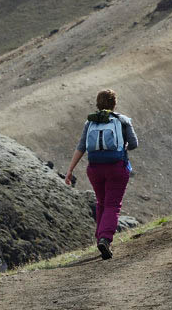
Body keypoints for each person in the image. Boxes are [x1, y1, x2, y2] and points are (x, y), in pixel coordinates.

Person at [65, 89, 138, 260]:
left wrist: (70, 170)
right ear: (114, 104)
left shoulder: (90, 123)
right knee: (113, 205)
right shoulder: (122, 121)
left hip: (94, 168)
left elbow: (81, 147)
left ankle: (100, 238)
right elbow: (134, 144)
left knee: (101, 203)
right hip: (116, 167)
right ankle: (105, 238)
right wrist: (121, 146)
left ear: (97, 104)